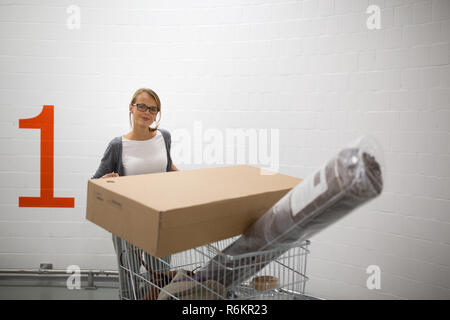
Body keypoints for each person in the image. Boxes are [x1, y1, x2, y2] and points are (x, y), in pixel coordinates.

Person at [91, 88, 177, 299]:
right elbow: (95, 182)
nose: (147, 112)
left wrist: (188, 182)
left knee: (161, 277)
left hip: (159, 218)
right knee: (129, 276)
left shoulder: (164, 137)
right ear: (131, 108)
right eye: (142, 106)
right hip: (127, 222)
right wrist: (105, 183)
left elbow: (169, 167)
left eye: (153, 109)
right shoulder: (118, 145)